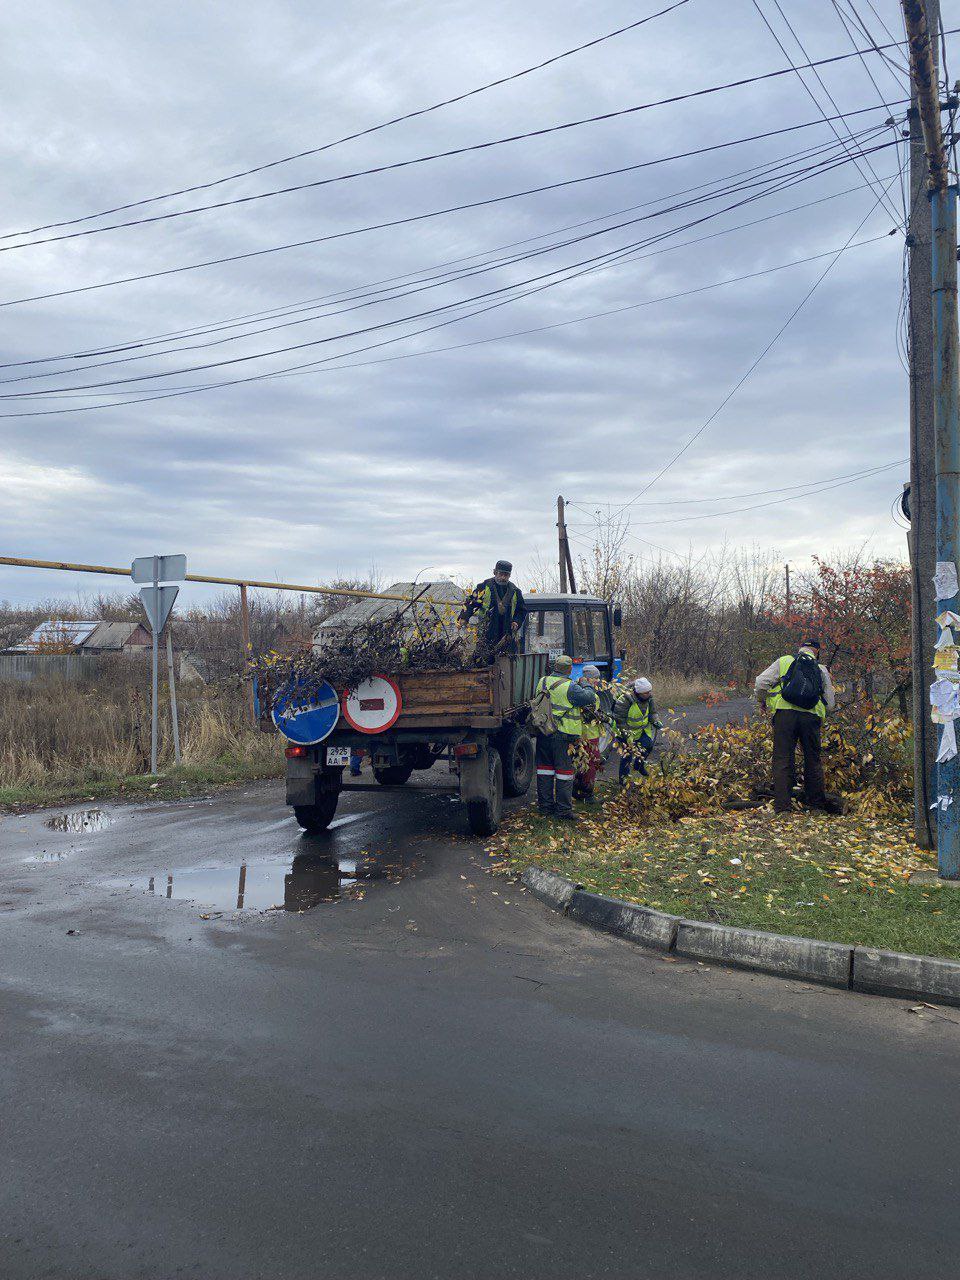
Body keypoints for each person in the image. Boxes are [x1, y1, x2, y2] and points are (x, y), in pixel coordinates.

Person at [754, 638, 836, 814]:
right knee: (813, 760)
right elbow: (830, 704)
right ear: (817, 652)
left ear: (800, 649)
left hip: (785, 716)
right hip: (811, 718)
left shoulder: (784, 661)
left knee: (783, 759)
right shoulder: (821, 670)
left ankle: (783, 808)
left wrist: (762, 700)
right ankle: (816, 807)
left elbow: (761, 683)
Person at [534, 654, 596, 821]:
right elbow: (589, 697)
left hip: (543, 732)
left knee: (544, 771)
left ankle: (545, 808)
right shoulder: (570, 687)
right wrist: (585, 683)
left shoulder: (543, 681)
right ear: (569, 669)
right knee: (564, 774)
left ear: (555, 667)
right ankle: (563, 811)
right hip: (562, 736)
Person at [458, 560, 525, 660]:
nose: (503, 577)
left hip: (507, 634)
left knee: (506, 663)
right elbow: (471, 603)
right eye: (501, 574)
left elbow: (521, 610)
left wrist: (516, 621)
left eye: (506, 575)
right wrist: (464, 617)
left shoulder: (515, 591)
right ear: (495, 572)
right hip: (487, 632)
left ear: (509, 575)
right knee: (483, 659)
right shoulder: (484, 587)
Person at [613, 677, 662, 784]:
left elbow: (652, 713)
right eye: (645, 693)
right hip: (624, 733)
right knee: (627, 757)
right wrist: (627, 736)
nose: (648, 694)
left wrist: (655, 721)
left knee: (648, 746)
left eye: (649, 692)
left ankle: (639, 765)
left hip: (641, 731)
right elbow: (619, 720)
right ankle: (623, 782)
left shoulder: (649, 698)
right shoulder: (624, 700)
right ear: (638, 693)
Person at [573, 664, 605, 803]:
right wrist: (602, 717)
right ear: (589, 678)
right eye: (596, 678)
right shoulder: (587, 694)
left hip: (584, 733)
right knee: (592, 763)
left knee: (582, 763)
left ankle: (577, 788)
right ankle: (588, 793)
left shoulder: (577, 689)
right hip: (588, 735)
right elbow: (590, 715)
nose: (598, 681)